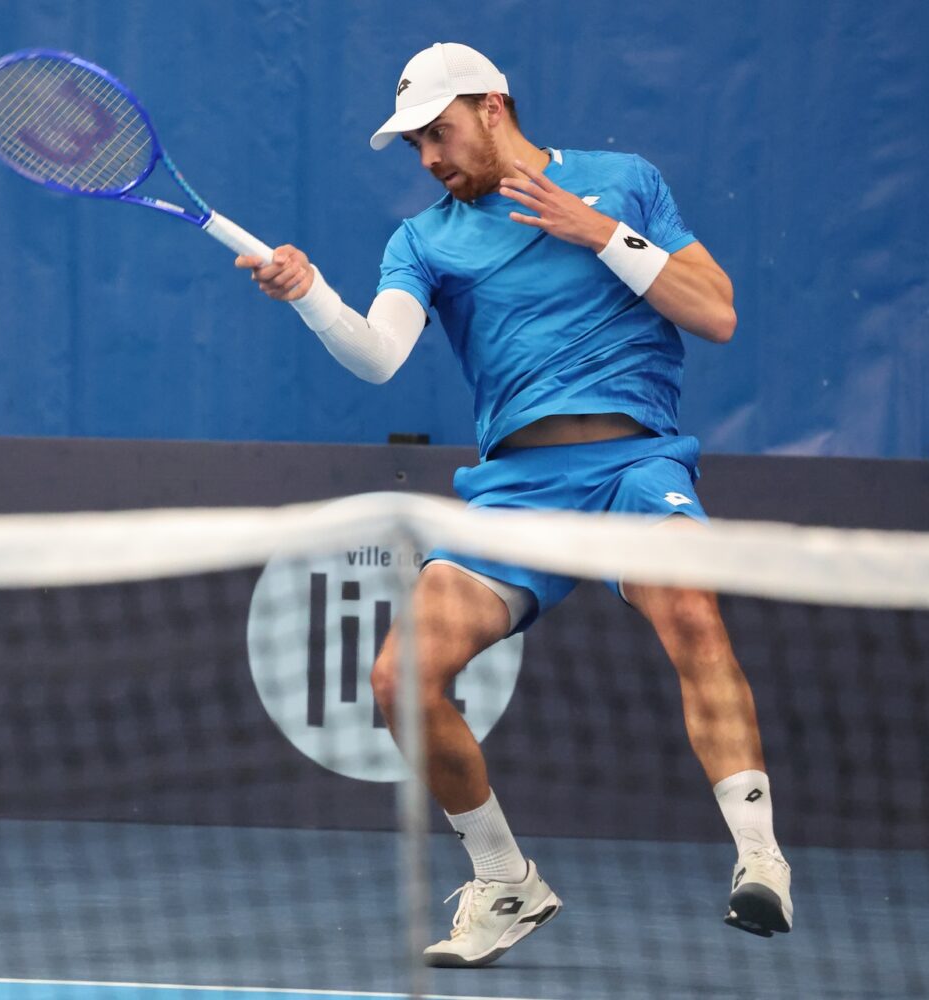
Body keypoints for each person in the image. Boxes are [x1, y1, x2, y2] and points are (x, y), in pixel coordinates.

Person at [235, 41, 792, 968]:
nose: (428, 158)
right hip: (515, 489)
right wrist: (310, 294)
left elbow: (718, 312)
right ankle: (504, 881)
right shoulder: (424, 240)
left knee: (692, 613)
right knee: (399, 678)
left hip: (633, 465)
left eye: (439, 133)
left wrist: (600, 233)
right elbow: (378, 355)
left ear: (492, 107)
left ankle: (761, 860)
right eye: (415, 145)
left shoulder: (624, 182)